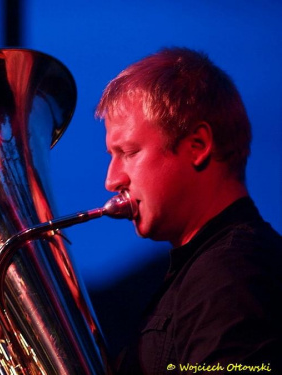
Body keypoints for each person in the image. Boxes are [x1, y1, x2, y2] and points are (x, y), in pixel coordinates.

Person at [95, 47, 282, 374]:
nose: (112, 180)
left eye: (128, 151)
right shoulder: (202, 272)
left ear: (197, 146)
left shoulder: (228, 276)